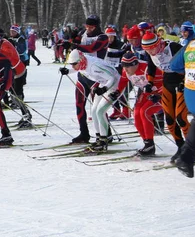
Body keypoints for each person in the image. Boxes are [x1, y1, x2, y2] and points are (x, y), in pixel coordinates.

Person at [141, 31, 189, 162]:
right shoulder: (150, 53)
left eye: (152, 48)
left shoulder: (173, 47)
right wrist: (150, 83)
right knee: (169, 120)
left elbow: (189, 64)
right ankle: (181, 147)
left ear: (158, 43)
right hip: (167, 81)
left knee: (181, 118)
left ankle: (191, 149)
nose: (150, 52)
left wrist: (185, 82)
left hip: (182, 81)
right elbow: (151, 67)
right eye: (147, 49)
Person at [59, 50, 120, 152]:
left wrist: (104, 89)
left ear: (80, 61)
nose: (73, 66)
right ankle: (99, 138)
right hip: (103, 83)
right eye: (71, 64)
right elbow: (78, 69)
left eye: (74, 64)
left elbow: (112, 78)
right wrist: (68, 71)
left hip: (114, 85)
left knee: (100, 111)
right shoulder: (82, 63)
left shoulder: (94, 66)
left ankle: (104, 140)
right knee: (94, 111)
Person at [170, 27, 195, 177]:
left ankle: (185, 158)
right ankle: (185, 158)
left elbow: (174, 65)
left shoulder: (191, 44)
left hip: (192, 93)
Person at [68, 15, 109, 143]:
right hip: (83, 74)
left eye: (91, 27)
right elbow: (74, 43)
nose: (89, 29)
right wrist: (72, 38)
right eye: (87, 26)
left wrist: (75, 45)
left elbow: (92, 48)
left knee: (98, 108)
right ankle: (84, 133)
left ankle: (106, 133)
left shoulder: (103, 37)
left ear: (97, 26)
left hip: (96, 76)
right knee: (79, 104)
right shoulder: (83, 33)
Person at [113, 52, 163, 156]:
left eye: (127, 67)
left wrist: (159, 94)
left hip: (161, 94)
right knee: (136, 114)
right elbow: (123, 81)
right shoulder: (126, 71)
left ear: (135, 64)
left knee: (144, 112)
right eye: (123, 66)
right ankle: (147, 144)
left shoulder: (147, 69)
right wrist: (117, 92)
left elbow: (167, 82)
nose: (125, 69)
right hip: (146, 93)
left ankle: (150, 144)